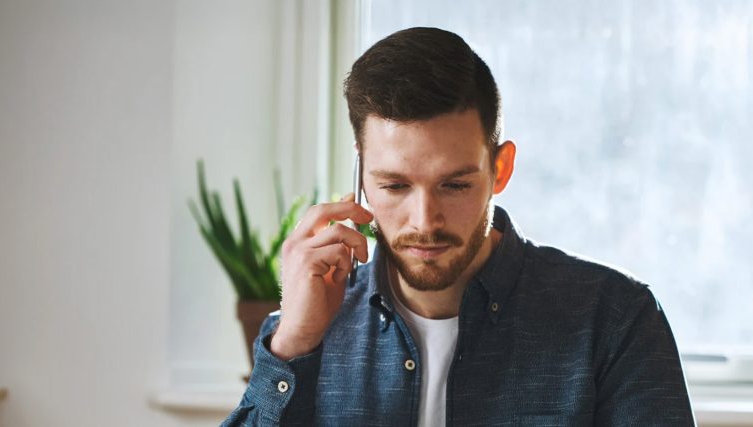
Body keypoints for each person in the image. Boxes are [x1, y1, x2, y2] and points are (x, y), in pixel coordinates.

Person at [222, 27, 695, 426]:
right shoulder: (303, 332)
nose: (425, 221)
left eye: (454, 185)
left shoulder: (615, 321)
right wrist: (291, 347)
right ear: (360, 178)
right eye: (394, 186)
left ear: (500, 170)